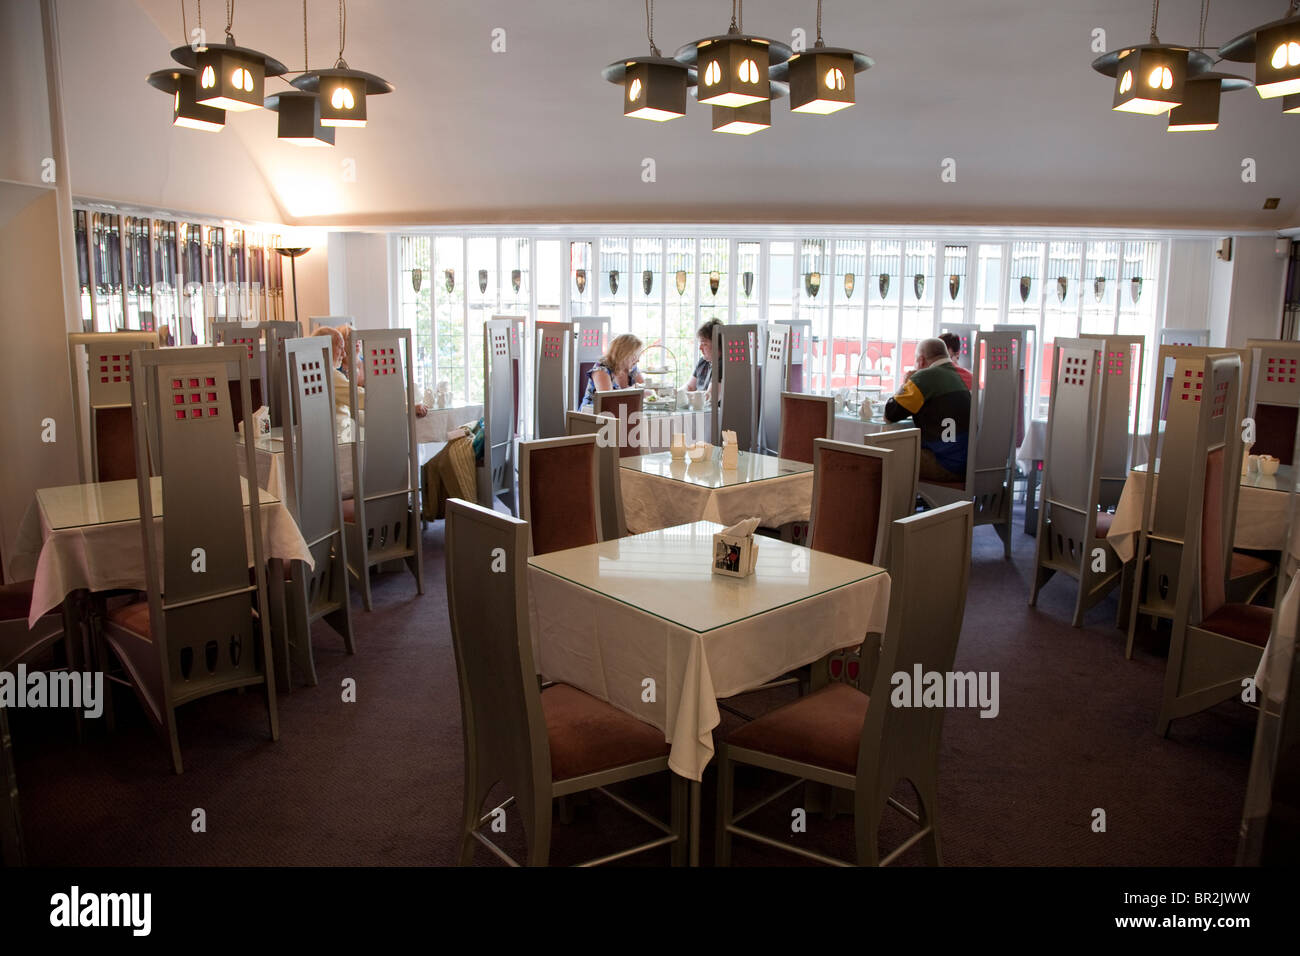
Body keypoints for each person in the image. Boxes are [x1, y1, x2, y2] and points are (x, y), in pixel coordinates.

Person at [884, 337, 970, 483]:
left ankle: (897, 505)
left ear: (921, 360)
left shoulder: (924, 377)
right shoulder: (959, 376)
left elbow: (890, 414)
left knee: (884, 454)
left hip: (944, 463)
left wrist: (906, 383)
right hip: (965, 460)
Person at [581, 333, 644, 410]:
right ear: (623, 354)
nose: (638, 360)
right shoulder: (601, 369)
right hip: (593, 416)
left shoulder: (632, 369)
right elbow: (608, 400)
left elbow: (644, 387)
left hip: (620, 414)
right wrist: (635, 388)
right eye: (635, 356)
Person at [686, 318, 723, 392]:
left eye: (704, 344)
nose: (700, 348)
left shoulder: (722, 365)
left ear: (716, 345)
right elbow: (690, 387)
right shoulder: (703, 361)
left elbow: (709, 397)